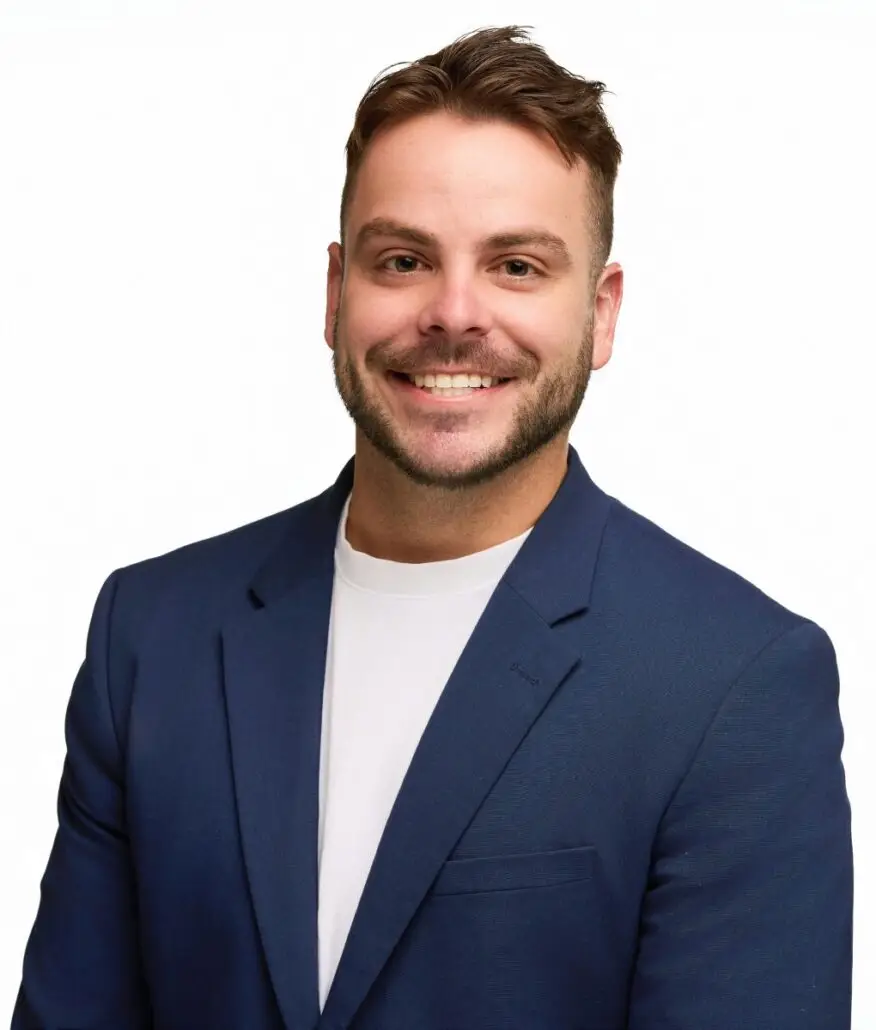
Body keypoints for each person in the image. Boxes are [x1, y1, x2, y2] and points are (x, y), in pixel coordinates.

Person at [11, 24, 852, 1030]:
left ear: (603, 311)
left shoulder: (737, 681)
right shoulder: (150, 634)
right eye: (404, 259)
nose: (454, 313)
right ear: (336, 294)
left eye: (518, 267)